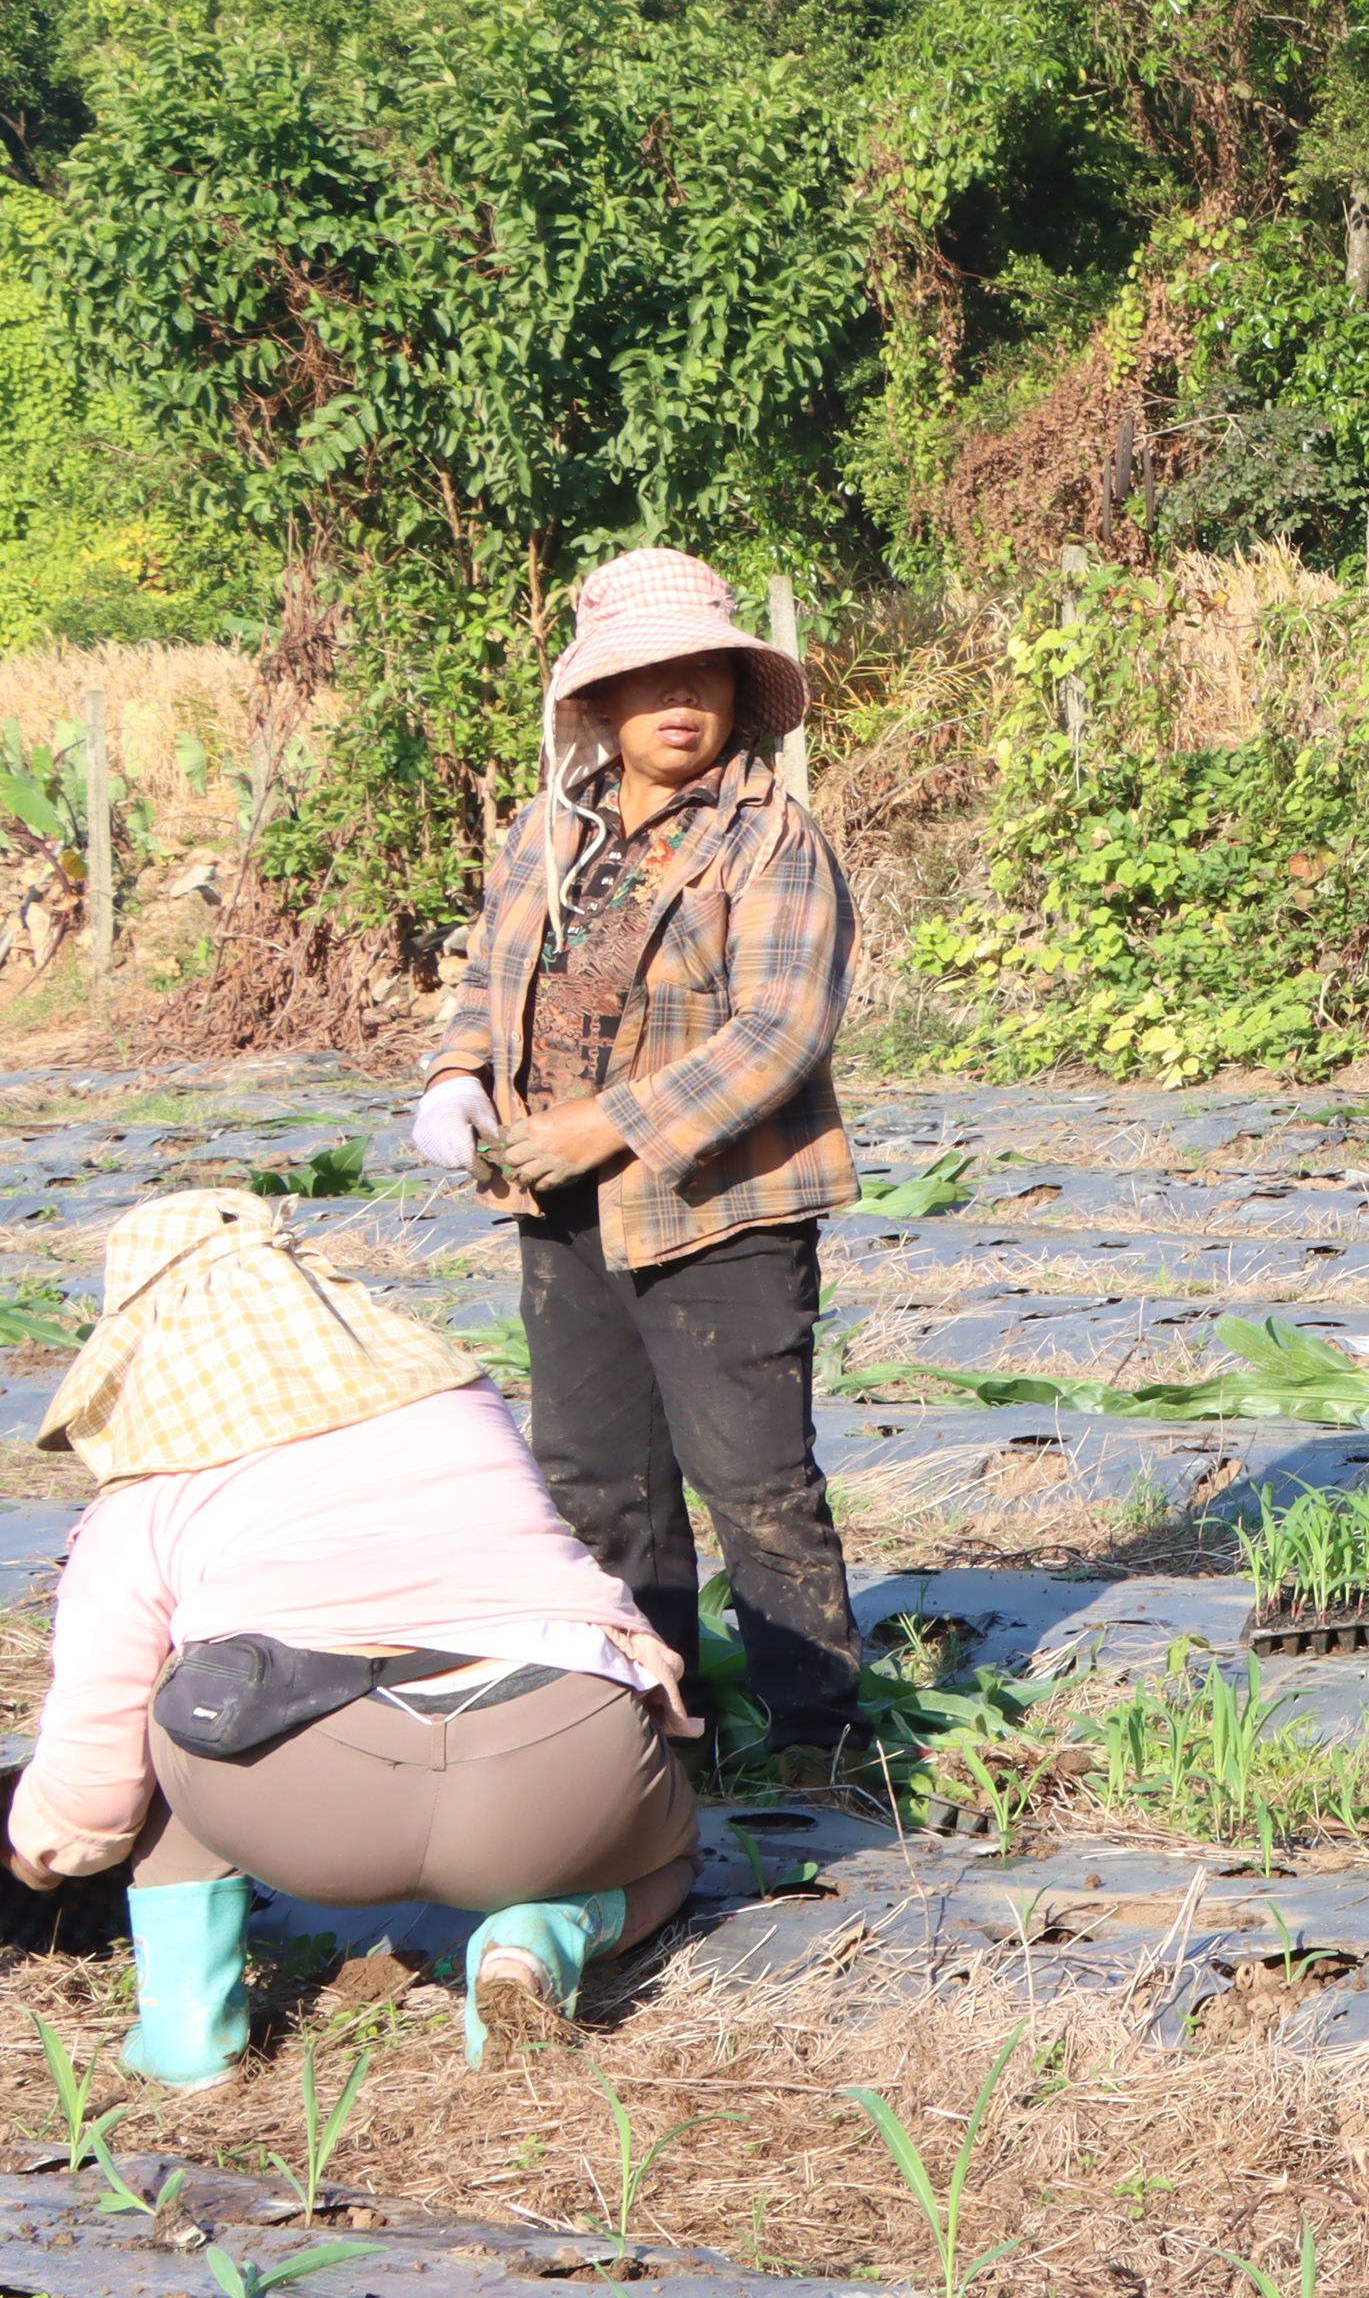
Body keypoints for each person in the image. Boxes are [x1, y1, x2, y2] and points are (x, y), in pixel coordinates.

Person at [7, 1191, 708, 2088]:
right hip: (562, 1766)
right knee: (675, 1851)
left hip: (305, 1806)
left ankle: (190, 2041)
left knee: (173, 1705)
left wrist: (32, 1856)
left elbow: (93, 1802)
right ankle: (544, 1933)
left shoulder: (143, 1501)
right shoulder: (458, 1405)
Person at [411, 546, 871, 1790]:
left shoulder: (772, 840)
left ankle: (819, 1748)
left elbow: (778, 1031)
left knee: (754, 1483)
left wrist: (601, 1125)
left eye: (704, 676)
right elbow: (487, 974)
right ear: (600, 703)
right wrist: (458, 1073)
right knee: (595, 1484)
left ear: (735, 691)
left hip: (720, 1210)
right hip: (559, 1212)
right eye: (649, 678)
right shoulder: (548, 830)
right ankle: (652, 1725)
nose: (680, 700)